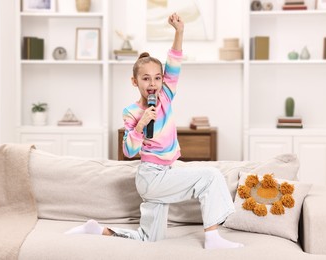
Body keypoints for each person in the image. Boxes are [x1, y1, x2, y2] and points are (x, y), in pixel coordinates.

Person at [65, 12, 243, 250]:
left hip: (165, 174)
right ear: (134, 82)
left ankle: (96, 229)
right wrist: (140, 124)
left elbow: (175, 63)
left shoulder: (165, 98)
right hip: (151, 176)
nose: (152, 83)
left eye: (157, 78)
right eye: (146, 79)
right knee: (210, 176)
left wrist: (179, 32)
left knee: (150, 239)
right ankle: (213, 238)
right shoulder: (130, 111)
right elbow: (129, 151)